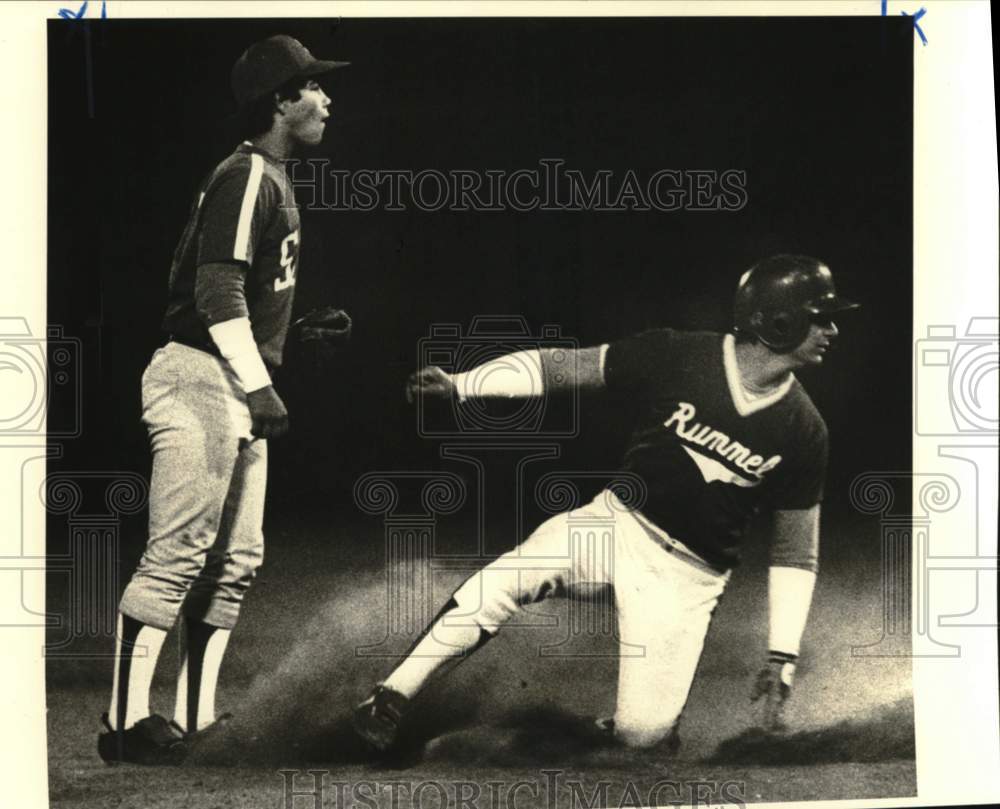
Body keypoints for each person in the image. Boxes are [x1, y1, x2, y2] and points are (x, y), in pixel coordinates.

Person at [352, 254, 858, 753]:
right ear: (778, 319)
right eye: (822, 317)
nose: (832, 330)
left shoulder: (805, 428)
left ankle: (614, 729)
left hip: (690, 577)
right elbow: (560, 368)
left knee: (643, 735)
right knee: (505, 579)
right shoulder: (680, 354)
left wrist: (782, 655)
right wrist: (465, 385)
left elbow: (795, 552)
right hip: (616, 524)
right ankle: (390, 695)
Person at [98, 35, 348, 765]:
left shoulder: (271, 177)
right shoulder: (248, 174)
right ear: (280, 101)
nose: (326, 99)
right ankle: (122, 722)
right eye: (312, 88)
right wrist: (262, 379)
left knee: (235, 560)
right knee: (178, 554)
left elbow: (231, 292)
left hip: (227, 374)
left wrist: (289, 332)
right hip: (200, 377)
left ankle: (197, 720)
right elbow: (213, 292)